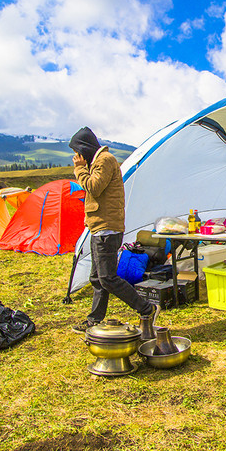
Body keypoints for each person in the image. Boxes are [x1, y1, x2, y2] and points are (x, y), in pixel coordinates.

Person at [69, 127, 159, 333]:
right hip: (99, 228)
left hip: (107, 230)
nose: (76, 157)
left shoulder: (105, 160)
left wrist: (79, 169)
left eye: (78, 152)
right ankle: (94, 320)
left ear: (85, 150)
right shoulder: (99, 161)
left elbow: (94, 187)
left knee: (107, 278)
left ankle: (146, 308)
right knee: (97, 278)